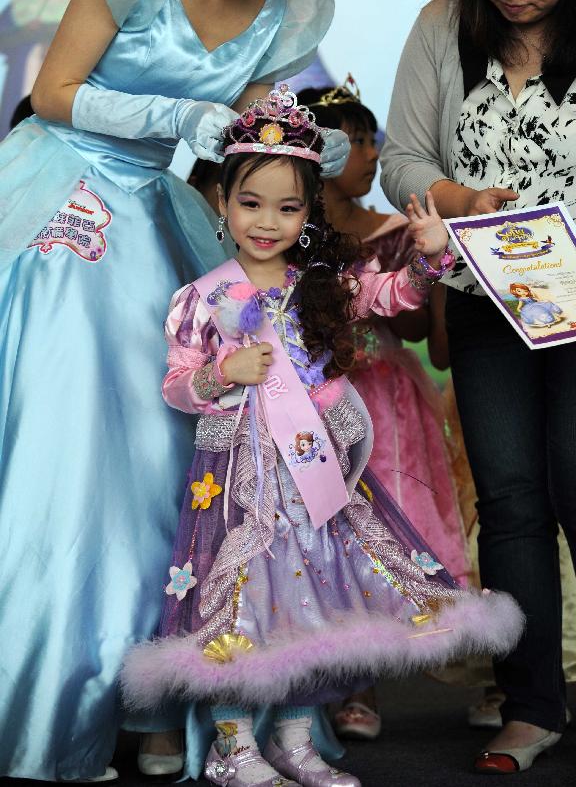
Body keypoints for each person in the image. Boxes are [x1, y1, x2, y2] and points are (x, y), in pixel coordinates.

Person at [0, 0, 363, 780]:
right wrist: (173, 118)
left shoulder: (275, 12)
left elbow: (243, 139)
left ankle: (154, 707)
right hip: (71, 206)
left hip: (156, 214)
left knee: (177, 457)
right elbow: (52, 93)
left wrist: (309, 145)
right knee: (74, 452)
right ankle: (47, 700)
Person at [121, 86, 523, 787]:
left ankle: (297, 742)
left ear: (309, 212)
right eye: (250, 203)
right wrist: (222, 370)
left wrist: (429, 261)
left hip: (316, 480)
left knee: (314, 604)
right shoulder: (202, 297)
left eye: (287, 206)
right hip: (237, 489)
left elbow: (388, 296)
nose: (267, 221)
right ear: (221, 201)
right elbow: (175, 384)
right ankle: (233, 747)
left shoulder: (322, 283)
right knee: (239, 605)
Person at [380, 0, 576, 772]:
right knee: (509, 500)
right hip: (487, 295)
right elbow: (402, 159)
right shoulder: (441, 25)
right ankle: (532, 705)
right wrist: (462, 201)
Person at [297, 81, 469, 740]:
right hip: (307, 404)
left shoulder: (394, 230)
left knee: (379, 534)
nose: (371, 152)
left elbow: (417, 323)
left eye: (373, 138)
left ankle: (362, 686)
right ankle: (314, 682)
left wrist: (426, 266)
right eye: (357, 139)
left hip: (385, 403)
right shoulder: (286, 232)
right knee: (318, 536)